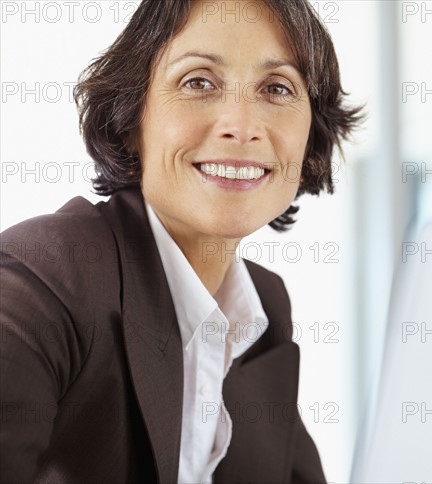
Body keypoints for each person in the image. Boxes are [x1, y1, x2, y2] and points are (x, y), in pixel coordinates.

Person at [0, 0, 362, 482]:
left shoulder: (260, 311)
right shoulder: (46, 274)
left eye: (276, 89)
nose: (242, 126)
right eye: (198, 82)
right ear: (131, 120)